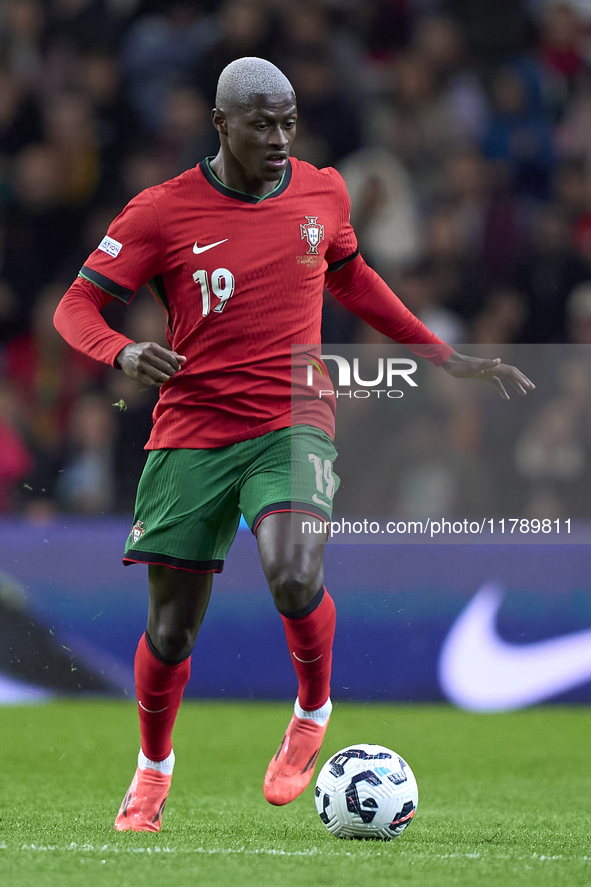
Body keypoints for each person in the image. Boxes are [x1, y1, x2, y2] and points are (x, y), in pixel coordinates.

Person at [53, 57, 534, 833]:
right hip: (192, 428)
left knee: (292, 570)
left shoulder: (323, 191)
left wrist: (447, 356)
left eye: (289, 121)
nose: (280, 138)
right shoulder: (159, 212)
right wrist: (119, 351)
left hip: (292, 416)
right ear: (221, 124)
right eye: (261, 123)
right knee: (172, 628)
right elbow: (77, 305)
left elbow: (354, 279)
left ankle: (313, 710)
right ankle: (152, 767)